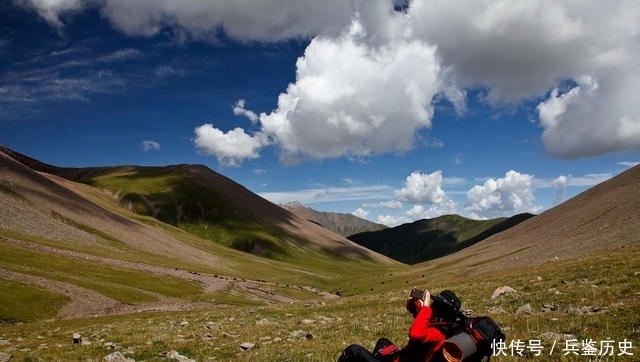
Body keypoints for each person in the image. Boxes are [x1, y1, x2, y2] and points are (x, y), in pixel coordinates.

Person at [337, 288, 464, 362]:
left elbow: (416, 333)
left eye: (434, 305)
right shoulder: (445, 326)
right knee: (383, 342)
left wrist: (425, 308)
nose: (432, 306)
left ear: (440, 310)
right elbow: (423, 321)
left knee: (354, 350)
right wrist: (414, 306)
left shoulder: (438, 333)